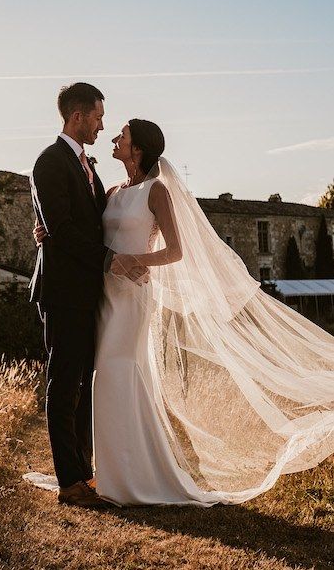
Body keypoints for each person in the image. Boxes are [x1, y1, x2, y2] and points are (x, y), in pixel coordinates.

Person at [26, 117, 334, 507]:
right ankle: (107, 472)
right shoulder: (112, 190)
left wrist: (129, 261)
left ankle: (138, 474)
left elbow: (175, 251)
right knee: (103, 377)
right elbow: (81, 228)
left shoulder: (157, 192)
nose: (114, 137)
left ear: (137, 149)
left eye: (122, 135)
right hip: (104, 296)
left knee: (122, 372)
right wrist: (44, 230)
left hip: (134, 294)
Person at [28, 84, 147, 509]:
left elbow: (83, 222)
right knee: (63, 385)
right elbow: (62, 226)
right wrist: (111, 260)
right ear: (78, 117)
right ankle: (69, 482)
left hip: (89, 292)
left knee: (84, 385)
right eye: (98, 117)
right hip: (62, 292)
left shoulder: (86, 165)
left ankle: (84, 471)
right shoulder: (49, 162)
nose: (102, 125)